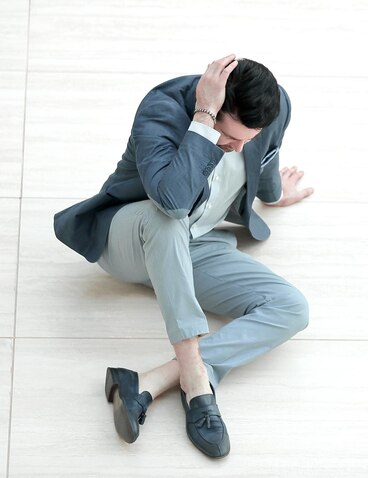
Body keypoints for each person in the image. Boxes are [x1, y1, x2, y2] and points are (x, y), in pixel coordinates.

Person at [53, 54, 314, 458]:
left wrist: (276, 194)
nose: (238, 148)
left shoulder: (275, 105)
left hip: (197, 244)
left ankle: (148, 383)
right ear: (212, 105)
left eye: (248, 138)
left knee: (291, 306)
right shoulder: (161, 108)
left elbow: (265, 157)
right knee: (167, 220)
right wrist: (204, 122)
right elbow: (172, 203)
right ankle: (195, 381)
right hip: (131, 239)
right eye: (229, 139)